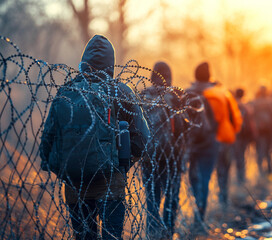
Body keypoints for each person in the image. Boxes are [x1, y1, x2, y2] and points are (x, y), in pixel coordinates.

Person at [39, 35, 150, 240]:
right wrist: (122, 164)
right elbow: (143, 139)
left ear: (83, 63)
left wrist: (67, 168)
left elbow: (47, 142)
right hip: (110, 184)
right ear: (111, 64)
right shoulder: (119, 91)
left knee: (84, 236)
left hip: (75, 185)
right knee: (111, 236)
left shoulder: (66, 91)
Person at [186, 62, 242, 228]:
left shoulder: (187, 93)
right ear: (210, 76)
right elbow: (235, 119)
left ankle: (196, 204)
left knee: (193, 176)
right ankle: (202, 215)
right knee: (206, 177)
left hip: (190, 143)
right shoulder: (221, 94)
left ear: (195, 76)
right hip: (213, 142)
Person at [140, 61, 189, 238]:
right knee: (171, 198)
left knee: (152, 199)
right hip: (172, 157)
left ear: (152, 76)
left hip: (148, 157)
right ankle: (168, 233)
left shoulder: (143, 96)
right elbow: (183, 130)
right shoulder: (175, 97)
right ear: (169, 77)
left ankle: (152, 233)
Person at [251, 85, 272, 175]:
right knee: (269, 150)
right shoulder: (270, 102)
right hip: (268, 130)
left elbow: (251, 116)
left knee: (259, 150)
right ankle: (270, 169)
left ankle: (260, 171)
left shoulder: (254, 102)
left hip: (258, 130)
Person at [232, 88, 256, 184]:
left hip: (234, 136)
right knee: (241, 157)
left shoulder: (233, 105)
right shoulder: (245, 106)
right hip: (243, 136)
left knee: (235, 157)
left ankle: (236, 180)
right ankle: (241, 179)